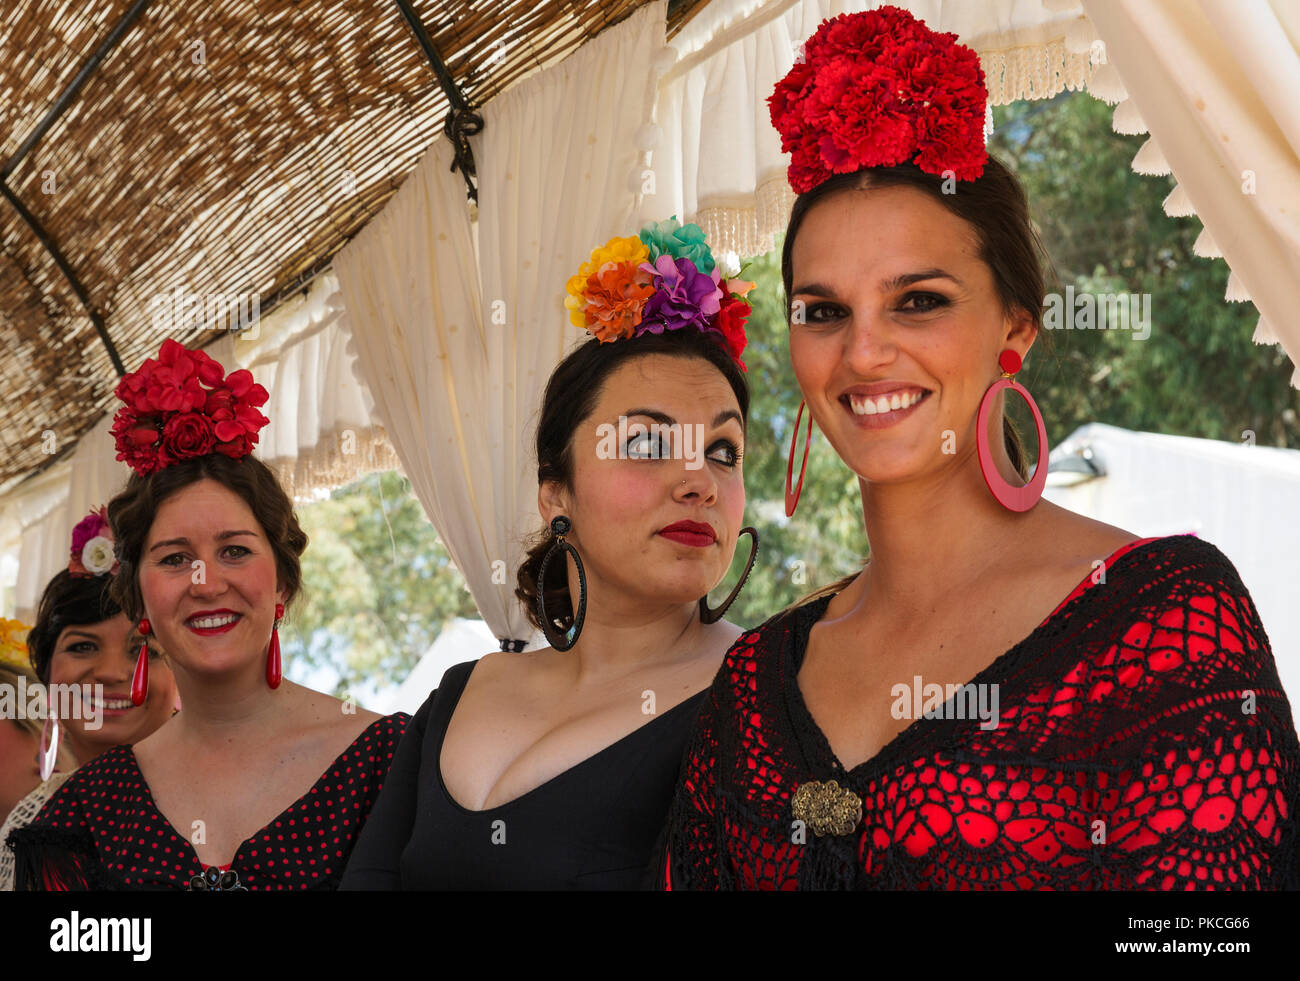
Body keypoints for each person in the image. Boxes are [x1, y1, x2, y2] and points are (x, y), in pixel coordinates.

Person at [657, 7, 1299, 890]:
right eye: (824, 310)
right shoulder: (750, 688)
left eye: (917, 299)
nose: (864, 351)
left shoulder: (1163, 617)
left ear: (1015, 329)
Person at [342, 219, 758, 888]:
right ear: (555, 491)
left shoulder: (761, 700)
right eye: (648, 444)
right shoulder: (456, 694)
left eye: (723, 451)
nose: (699, 480)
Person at [8, 339, 409, 890]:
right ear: (139, 599)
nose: (207, 583)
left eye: (235, 551)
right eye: (175, 558)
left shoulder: (390, 764)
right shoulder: (81, 817)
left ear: (281, 583)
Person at [0, 509, 178, 891]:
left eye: (141, 649)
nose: (111, 672)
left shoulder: (238, 790)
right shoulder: (29, 823)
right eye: (82, 646)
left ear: (184, 672)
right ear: (46, 676)